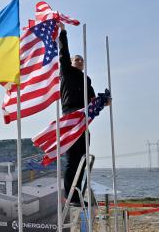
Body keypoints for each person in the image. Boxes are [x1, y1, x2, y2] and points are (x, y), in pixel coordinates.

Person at [58, 22, 95, 206]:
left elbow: (93, 98)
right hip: (70, 116)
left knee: (83, 159)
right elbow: (64, 54)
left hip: (83, 119)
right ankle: (69, 196)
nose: (79, 61)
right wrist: (63, 33)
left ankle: (78, 195)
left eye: (81, 60)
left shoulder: (86, 78)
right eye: (76, 59)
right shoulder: (66, 72)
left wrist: (106, 99)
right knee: (72, 160)